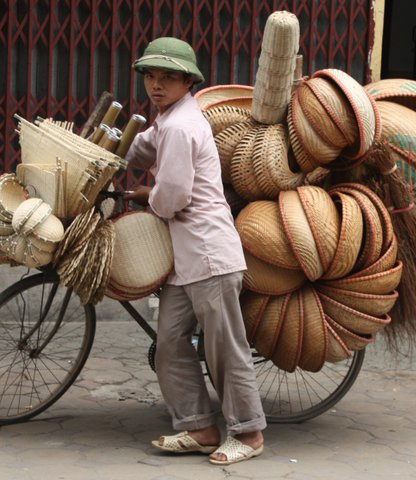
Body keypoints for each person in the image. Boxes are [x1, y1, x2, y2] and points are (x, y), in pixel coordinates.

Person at [123, 37, 266, 465]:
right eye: (151, 76)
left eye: (168, 77)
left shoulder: (183, 126)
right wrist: (112, 154)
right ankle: (200, 427)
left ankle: (249, 432)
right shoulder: (170, 118)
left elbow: (172, 197)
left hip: (208, 254)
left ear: (188, 81)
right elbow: (145, 144)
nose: (157, 84)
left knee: (224, 348)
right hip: (183, 260)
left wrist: (144, 194)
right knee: (169, 342)